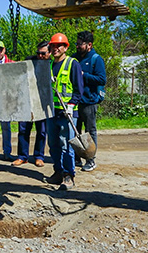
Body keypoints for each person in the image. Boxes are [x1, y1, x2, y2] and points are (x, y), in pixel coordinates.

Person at [44, 33, 83, 191]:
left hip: (67, 112)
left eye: (59, 46)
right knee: (53, 144)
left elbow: (79, 90)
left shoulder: (72, 64)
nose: (55, 48)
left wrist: (71, 104)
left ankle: (69, 176)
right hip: (52, 111)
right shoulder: (49, 65)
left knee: (67, 145)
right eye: (53, 46)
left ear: (66, 47)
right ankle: (58, 171)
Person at [13, 41, 51, 167]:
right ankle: (22, 156)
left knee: (41, 131)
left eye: (43, 53)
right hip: (27, 101)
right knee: (23, 130)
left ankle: (39, 156)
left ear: (49, 52)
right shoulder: (29, 61)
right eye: (38, 53)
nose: (40, 56)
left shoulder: (52, 64)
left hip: (42, 103)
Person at [72, 31, 106, 172]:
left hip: (89, 101)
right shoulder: (73, 58)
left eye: (80, 44)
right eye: (77, 43)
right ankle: (77, 157)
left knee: (90, 131)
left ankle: (90, 159)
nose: (78, 46)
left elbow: (101, 79)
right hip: (75, 101)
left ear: (89, 45)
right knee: (75, 131)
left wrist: (84, 76)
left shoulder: (96, 59)